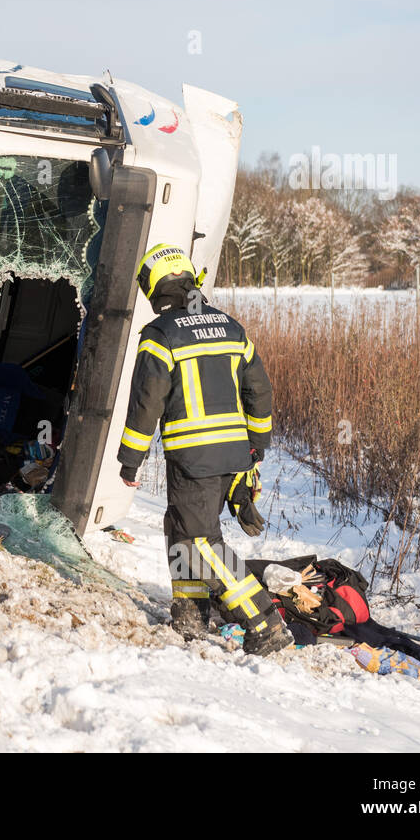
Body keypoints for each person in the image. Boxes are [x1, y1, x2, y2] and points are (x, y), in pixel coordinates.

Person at [116, 244, 292, 657]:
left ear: (156, 287)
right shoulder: (232, 328)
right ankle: (190, 612)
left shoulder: (160, 335)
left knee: (200, 542)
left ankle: (264, 621)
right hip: (230, 455)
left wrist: (130, 458)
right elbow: (259, 391)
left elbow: (146, 402)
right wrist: (257, 447)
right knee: (180, 529)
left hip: (194, 457)